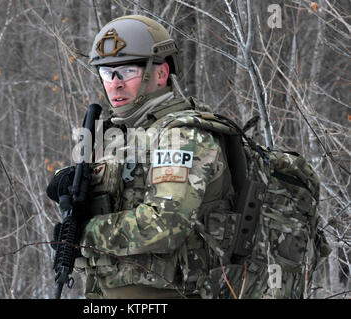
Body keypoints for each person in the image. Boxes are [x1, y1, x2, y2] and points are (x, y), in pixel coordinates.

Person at [64, 15, 236, 299]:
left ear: (160, 73)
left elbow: (165, 224)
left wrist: (85, 233)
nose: (115, 84)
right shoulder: (117, 135)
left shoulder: (182, 136)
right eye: (107, 73)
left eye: (127, 71)